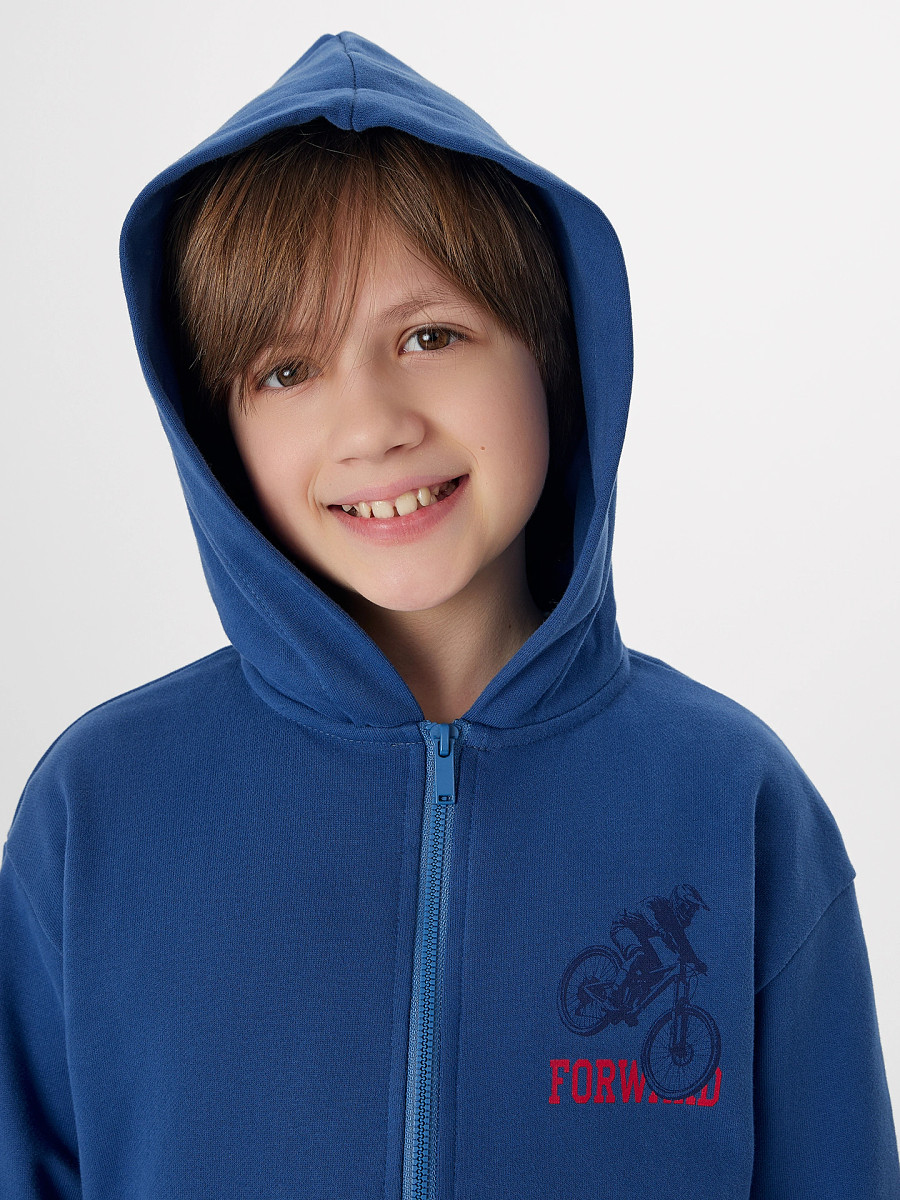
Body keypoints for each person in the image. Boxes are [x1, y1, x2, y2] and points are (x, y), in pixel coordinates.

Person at [0, 28, 897, 1200]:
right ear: (220, 433)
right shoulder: (100, 807)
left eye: (431, 336)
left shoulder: (736, 800)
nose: (373, 424)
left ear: (554, 356)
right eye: (285, 369)